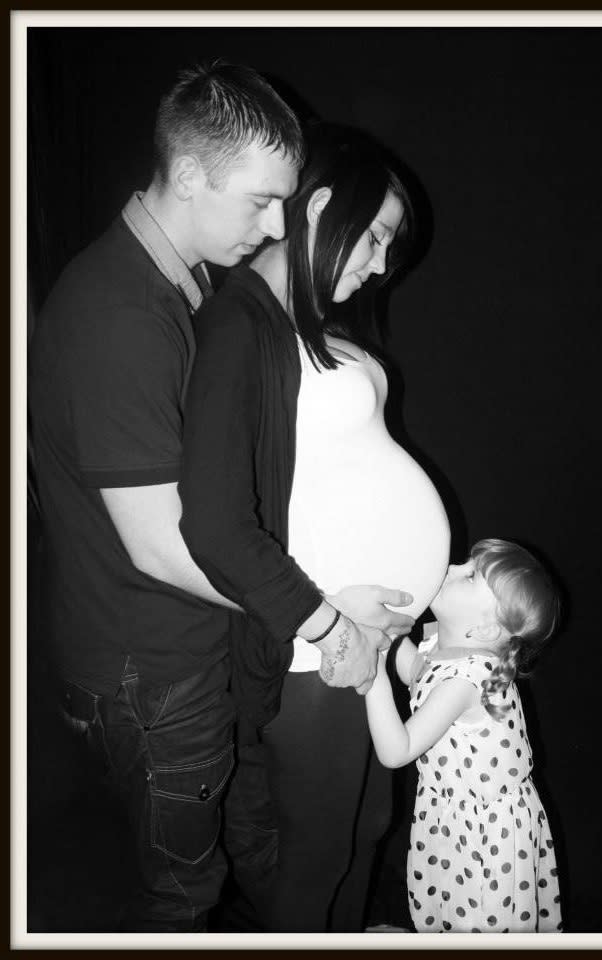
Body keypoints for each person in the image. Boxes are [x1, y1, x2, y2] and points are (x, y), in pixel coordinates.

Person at [28, 60, 310, 933]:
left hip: (179, 652)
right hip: (150, 670)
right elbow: (157, 544)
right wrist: (311, 611)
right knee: (182, 895)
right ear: (188, 175)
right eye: (261, 201)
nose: (277, 225)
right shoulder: (118, 314)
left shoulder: (176, 284)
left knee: (235, 848)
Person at [179, 123, 451, 931]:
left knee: (365, 830)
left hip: (362, 637)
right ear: (322, 205)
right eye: (374, 238)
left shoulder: (298, 326)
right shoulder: (238, 325)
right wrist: (330, 621)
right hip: (316, 647)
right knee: (317, 855)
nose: (379, 265)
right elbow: (217, 524)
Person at [365, 538, 563, 933]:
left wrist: (370, 675)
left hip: (484, 833)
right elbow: (416, 672)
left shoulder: (468, 681)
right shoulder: (445, 647)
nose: (453, 568)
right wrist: (384, 631)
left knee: (477, 917)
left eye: (470, 576)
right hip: (459, 816)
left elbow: (396, 750)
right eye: (465, 564)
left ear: (485, 627)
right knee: (454, 906)